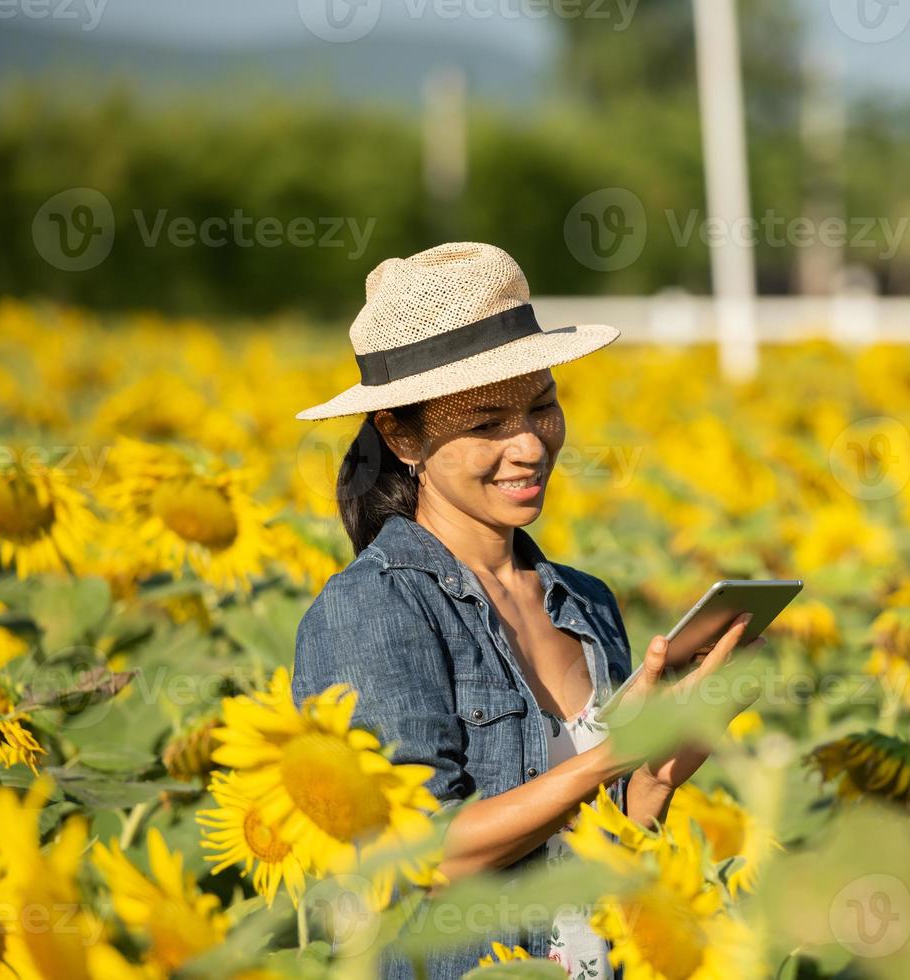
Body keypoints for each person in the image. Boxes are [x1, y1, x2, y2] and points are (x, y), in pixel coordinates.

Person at [290, 242, 756, 979]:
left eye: (542, 406)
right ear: (401, 435)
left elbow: (598, 851)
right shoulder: (374, 607)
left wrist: (659, 775)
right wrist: (611, 753)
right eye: (485, 423)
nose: (529, 446)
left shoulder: (587, 601)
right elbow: (416, 855)